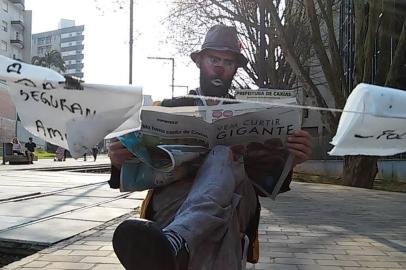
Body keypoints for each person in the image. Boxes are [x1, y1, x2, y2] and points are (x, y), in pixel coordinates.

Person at [109, 24, 312, 270]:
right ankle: (177, 245)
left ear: (235, 68)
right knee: (223, 222)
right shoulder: (171, 107)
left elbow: (265, 183)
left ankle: (176, 239)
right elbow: (142, 164)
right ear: (199, 61)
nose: (219, 67)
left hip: (238, 190)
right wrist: (119, 160)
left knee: (222, 155)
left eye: (228, 62)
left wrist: (291, 158)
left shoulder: (253, 113)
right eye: (214, 59)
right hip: (180, 195)